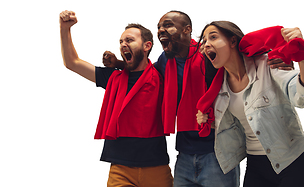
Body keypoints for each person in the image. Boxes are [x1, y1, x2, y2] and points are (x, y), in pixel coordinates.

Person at [103, 11, 293, 187]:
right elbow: (145, 71)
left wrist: (279, 58)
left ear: (187, 30)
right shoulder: (165, 61)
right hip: (184, 154)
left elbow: (243, 60)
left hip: (217, 153)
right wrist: (119, 64)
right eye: (159, 27)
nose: (161, 30)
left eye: (168, 25)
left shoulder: (209, 53)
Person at [196, 21, 304, 187]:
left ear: (232, 41)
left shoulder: (267, 65)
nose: (206, 44)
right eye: (204, 41)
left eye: (213, 37)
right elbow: (239, 125)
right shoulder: (219, 89)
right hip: (256, 167)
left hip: (293, 162)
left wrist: (302, 57)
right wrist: (208, 120)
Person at [59, 10, 173, 187]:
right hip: (120, 170)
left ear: (147, 45)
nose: (123, 44)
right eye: (121, 41)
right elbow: (72, 62)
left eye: (129, 40)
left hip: (157, 168)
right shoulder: (113, 78)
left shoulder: (161, 75)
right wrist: (64, 29)